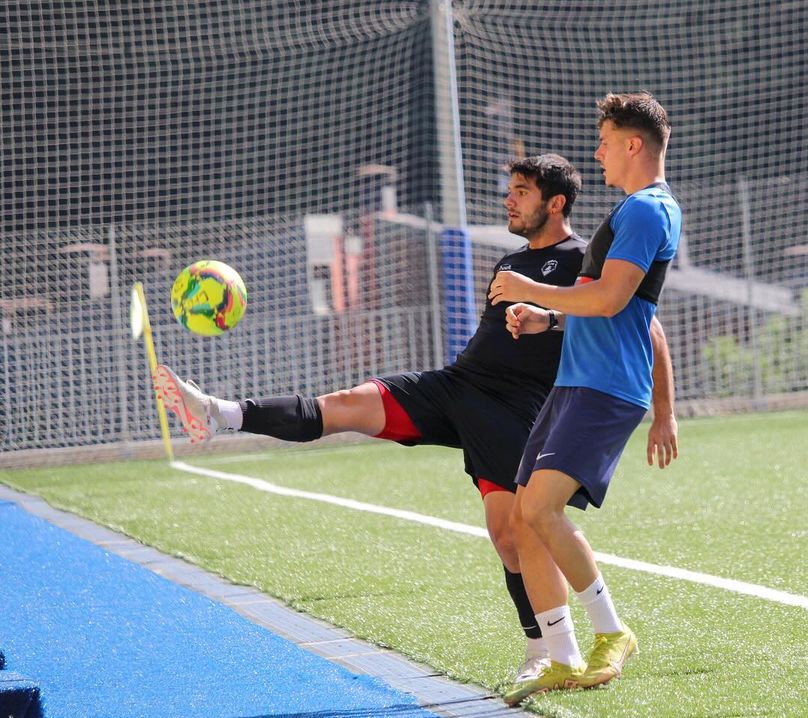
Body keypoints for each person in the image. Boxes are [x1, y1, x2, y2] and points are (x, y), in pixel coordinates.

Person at [153, 153, 679, 685]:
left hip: (517, 409)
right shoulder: (508, 262)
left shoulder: (583, 258)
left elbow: (644, 329)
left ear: (555, 202)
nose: (509, 199)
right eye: (511, 189)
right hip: (458, 386)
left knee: (510, 535)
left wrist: (664, 413)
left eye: (521, 191)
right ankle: (220, 413)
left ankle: (543, 650)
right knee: (349, 403)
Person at [487, 92, 681, 705]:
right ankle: (562, 655)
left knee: (542, 510)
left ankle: (612, 632)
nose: (595, 152)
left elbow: (614, 302)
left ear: (632, 145)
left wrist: (531, 290)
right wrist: (549, 322)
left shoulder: (649, 211)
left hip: (606, 387)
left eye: (603, 141)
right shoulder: (630, 211)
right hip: (576, 381)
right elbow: (605, 307)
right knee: (523, 517)